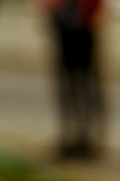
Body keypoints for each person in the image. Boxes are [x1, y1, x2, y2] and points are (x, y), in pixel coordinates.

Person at [43, 0, 106, 160]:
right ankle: (70, 136)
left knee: (84, 85)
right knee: (68, 85)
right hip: (65, 27)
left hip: (84, 28)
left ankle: (85, 137)